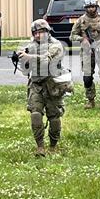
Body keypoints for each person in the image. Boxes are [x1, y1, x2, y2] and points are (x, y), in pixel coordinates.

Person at [18, 19, 72, 157]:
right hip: (37, 85)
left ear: (47, 32)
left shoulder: (56, 45)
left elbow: (45, 59)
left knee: (54, 117)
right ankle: (40, 146)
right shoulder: (31, 46)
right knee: (35, 114)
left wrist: (28, 56)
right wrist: (20, 57)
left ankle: (53, 145)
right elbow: (25, 68)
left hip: (53, 85)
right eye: (35, 33)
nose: (37, 35)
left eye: (40, 32)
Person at [70, 0, 100, 109]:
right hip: (87, 52)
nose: (91, 9)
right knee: (87, 77)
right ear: (85, 8)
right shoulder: (81, 20)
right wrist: (82, 39)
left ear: (96, 7)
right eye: (89, 7)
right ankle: (90, 99)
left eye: (93, 7)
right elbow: (72, 35)